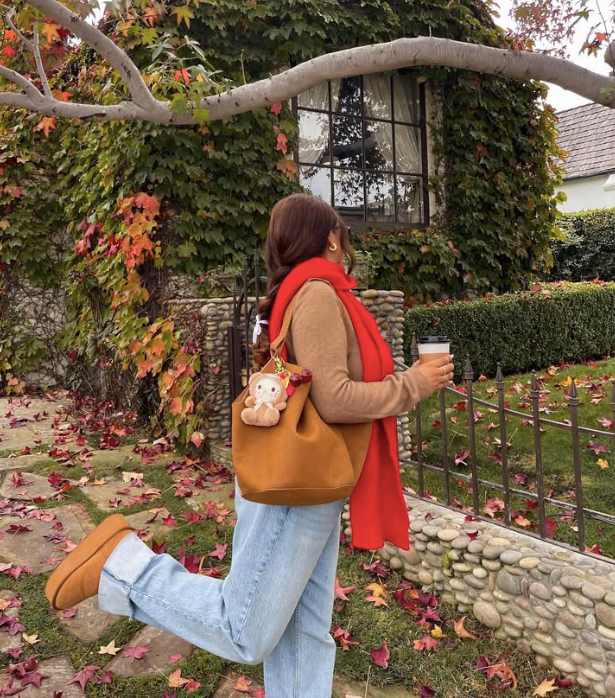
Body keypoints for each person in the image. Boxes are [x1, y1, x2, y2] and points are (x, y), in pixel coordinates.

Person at [45, 193, 454, 697]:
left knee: (302, 634)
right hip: (297, 485)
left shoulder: (304, 292)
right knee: (246, 631)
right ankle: (125, 567)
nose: (345, 238)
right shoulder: (320, 294)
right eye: (341, 230)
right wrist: (414, 383)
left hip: (316, 481)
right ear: (329, 235)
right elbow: (336, 398)